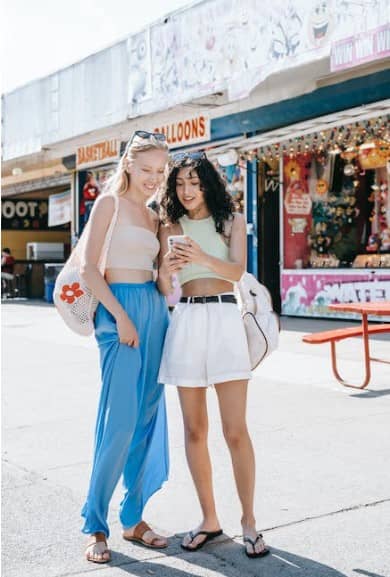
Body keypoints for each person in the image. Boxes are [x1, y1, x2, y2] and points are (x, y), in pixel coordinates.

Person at [157, 152, 270, 559]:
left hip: (224, 319)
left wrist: (201, 256)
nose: (187, 191)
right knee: (194, 431)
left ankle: (250, 521)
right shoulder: (168, 224)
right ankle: (209, 519)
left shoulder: (231, 219)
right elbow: (162, 284)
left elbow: (238, 272)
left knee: (235, 430)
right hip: (186, 319)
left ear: (209, 183)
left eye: (195, 182)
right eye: (180, 183)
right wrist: (167, 269)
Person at [80, 131, 171, 563]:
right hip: (119, 312)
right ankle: (95, 524)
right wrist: (119, 315)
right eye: (147, 169)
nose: (154, 178)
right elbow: (88, 271)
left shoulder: (156, 217)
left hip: (154, 311)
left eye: (160, 171)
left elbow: (160, 279)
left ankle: (133, 518)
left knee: (147, 416)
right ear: (129, 164)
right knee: (119, 420)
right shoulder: (108, 205)